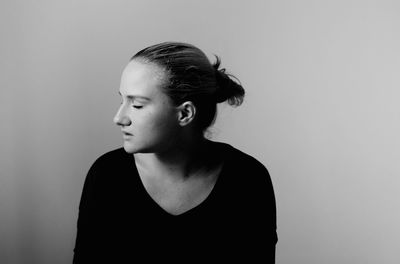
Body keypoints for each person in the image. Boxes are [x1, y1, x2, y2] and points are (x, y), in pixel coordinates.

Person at [73, 42, 277, 263]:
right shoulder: (107, 175)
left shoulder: (247, 178)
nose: (119, 117)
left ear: (185, 114)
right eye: (122, 99)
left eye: (138, 105)